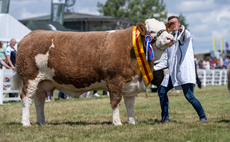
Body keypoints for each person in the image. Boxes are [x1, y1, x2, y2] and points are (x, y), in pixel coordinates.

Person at [154, 15, 207, 123]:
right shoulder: (169, 39)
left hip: (183, 71)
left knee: (189, 96)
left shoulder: (185, 35)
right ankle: (165, 118)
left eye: (174, 23)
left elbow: (185, 32)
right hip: (172, 72)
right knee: (162, 91)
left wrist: (181, 29)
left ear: (179, 24)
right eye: (170, 24)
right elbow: (167, 61)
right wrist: (152, 68)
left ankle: (203, 117)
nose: (172, 25)